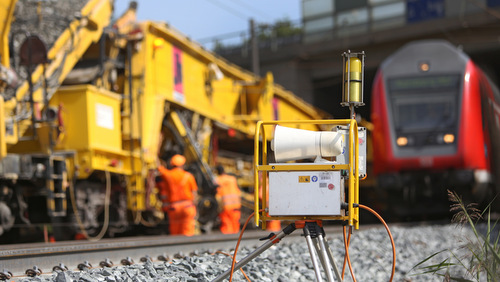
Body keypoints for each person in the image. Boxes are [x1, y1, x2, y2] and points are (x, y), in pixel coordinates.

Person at [157, 154, 198, 236]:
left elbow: (159, 168)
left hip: (174, 207)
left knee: (175, 232)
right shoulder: (189, 176)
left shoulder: (168, 175)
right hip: (187, 206)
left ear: (172, 164)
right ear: (183, 165)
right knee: (187, 231)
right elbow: (194, 193)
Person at [215, 165, 242, 234]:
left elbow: (218, 195)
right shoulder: (232, 179)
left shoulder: (218, 180)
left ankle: (228, 242)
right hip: (236, 206)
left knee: (227, 227)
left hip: (225, 207)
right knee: (235, 225)